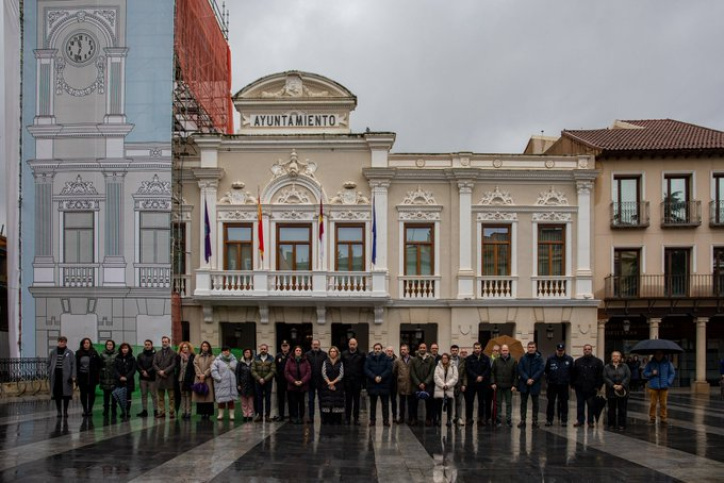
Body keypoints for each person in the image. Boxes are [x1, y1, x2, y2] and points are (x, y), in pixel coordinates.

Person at [571, 344, 604, 428]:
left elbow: (600, 375)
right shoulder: (578, 361)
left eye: (589, 349)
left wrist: (598, 386)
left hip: (592, 388)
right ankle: (580, 421)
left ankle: (590, 421)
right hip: (580, 387)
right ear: (583, 350)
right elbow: (573, 374)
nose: (587, 350)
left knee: (591, 405)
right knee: (580, 405)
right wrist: (573, 384)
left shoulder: (598, 362)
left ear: (591, 350)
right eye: (585, 349)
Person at [544, 342, 574, 427]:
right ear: (556, 350)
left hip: (564, 385)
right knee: (551, 402)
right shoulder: (550, 358)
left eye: (561, 350)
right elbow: (546, 371)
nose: (560, 352)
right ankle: (549, 420)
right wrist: (548, 380)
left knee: (564, 403)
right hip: (552, 385)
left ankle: (564, 420)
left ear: (564, 350)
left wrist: (570, 383)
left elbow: (572, 372)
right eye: (558, 350)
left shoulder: (569, 359)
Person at [643, 350, 676, 424]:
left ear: (663, 354)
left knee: (663, 403)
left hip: (664, 386)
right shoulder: (651, 363)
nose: (659, 355)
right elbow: (645, 373)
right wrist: (652, 373)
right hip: (653, 386)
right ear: (654, 354)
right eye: (657, 354)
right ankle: (652, 417)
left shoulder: (667, 363)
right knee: (653, 403)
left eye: (660, 354)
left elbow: (672, 373)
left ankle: (663, 417)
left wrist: (668, 382)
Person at [517, 341, 544, 428]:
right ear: (527, 348)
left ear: (535, 348)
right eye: (529, 347)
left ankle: (535, 421)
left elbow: (541, 370)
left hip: (535, 383)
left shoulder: (539, 358)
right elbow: (520, 370)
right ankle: (523, 420)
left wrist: (532, 379)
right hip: (524, 384)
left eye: (533, 347)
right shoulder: (523, 358)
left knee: (535, 403)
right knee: (523, 403)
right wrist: (527, 379)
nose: (531, 349)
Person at [365, 343, 393, 426]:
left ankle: (386, 420)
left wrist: (381, 377)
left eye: (379, 349)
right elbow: (366, 369)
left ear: (381, 349)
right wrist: (374, 377)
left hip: (384, 384)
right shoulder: (369, 358)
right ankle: (372, 420)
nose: (377, 350)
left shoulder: (386, 358)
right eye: (376, 348)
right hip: (373, 384)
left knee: (385, 404)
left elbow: (389, 369)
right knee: (372, 405)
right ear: (373, 349)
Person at [464, 342, 491, 426]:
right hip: (472, 383)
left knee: (482, 401)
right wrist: (476, 377)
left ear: (481, 348)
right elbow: (468, 369)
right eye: (476, 348)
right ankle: (469, 418)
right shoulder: (469, 358)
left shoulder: (486, 358)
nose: (477, 349)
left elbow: (488, 369)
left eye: (478, 348)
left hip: (483, 383)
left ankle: (481, 418)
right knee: (469, 401)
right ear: (473, 349)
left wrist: (482, 376)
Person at [48, 336, 76, 418]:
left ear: (66, 342)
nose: (62, 343)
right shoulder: (53, 352)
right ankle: (59, 411)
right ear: (58, 342)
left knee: (66, 395)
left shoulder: (69, 352)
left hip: (66, 376)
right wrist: (49, 370)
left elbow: (73, 364)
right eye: (60, 341)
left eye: (63, 342)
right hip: (56, 375)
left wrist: (73, 375)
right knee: (57, 394)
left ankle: (65, 411)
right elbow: (48, 362)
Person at [491, 344, 517, 428]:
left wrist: (514, 385)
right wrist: (493, 383)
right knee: (498, 403)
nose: (505, 352)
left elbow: (516, 374)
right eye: (503, 350)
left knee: (509, 403)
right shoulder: (496, 360)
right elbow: (492, 373)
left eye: (506, 350)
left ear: (508, 351)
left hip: (509, 386)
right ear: (500, 351)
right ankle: (498, 420)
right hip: (498, 386)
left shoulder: (513, 361)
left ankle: (509, 420)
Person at [604, 351, 631, 431]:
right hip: (611, 391)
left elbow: (628, 376)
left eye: (617, 356)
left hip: (623, 391)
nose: (615, 357)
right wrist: (613, 385)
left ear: (620, 357)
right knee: (611, 409)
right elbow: (605, 377)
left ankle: (621, 425)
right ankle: (611, 424)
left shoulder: (625, 366)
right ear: (611, 357)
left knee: (622, 409)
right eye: (614, 356)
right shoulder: (607, 367)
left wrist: (622, 385)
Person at [410, 342, 436, 426]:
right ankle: (414, 419)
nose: (422, 349)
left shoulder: (431, 359)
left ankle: (428, 419)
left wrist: (425, 382)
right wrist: (418, 383)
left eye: (424, 348)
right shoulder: (414, 359)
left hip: (428, 385)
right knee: (414, 403)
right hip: (416, 385)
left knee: (429, 403)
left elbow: (432, 372)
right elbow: (412, 372)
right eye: (421, 347)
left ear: (426, 349)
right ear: (418, 349)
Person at [342, 338, 366, 425]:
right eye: (351, 344)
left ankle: (356, 418)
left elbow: (364, 369)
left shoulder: (362, 354)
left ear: (357, 344)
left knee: (357, 401)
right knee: (347, 401)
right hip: (347, 381)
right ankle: (347, 418)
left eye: (354, 344)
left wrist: (364, 385)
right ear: (348, 344)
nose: (352, 346)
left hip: (357, 380)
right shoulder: (344, 354)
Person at [285, 345, 311, 424]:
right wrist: (294, 381)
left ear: (301, 352)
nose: (298, 352)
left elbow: (308, 372)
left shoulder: (305, 360)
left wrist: (302, 381)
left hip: (302, 386)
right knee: (293, 402)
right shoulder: (289, 360)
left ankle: (301, 417)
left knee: (302, 402)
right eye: (297, 350)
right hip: (292, 385)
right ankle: (294, 417)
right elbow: (286, 372)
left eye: (300, 350)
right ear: (294, 352)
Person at [211, 346, 239, 421]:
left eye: (227, 351)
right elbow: (213, 370)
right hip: (221, 383)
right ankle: (220, 414)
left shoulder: (234, 360)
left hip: (231, 383)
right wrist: (218, 378)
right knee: (221, 400)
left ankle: (231, 415)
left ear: (229, 351)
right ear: (222, 352)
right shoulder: (217, 360)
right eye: (224, 351)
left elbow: (238, 370)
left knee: (231, 399)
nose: (226, 352)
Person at [153, 336, 177, 419]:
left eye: (166, 341)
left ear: (169, 342)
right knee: (160, 398)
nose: (164, 343)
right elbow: (154, 364)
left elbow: (174, 364)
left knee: (171, 397)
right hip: (159, 378)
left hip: (169, 377)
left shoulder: (173, 353)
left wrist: (165, 371)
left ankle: (171, 412)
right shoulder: (157, 353)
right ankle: (162, 412)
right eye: (163, 341)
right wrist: (159, 371)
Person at [75, 337, 100, 417]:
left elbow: (99, 363)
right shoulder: (78, 353)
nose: (86, 344)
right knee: (83, 394)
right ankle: (85, 409)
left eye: (88, 343)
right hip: (82, 376)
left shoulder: (94, 352)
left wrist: (96, 371)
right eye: (85, 343)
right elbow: (76, 365)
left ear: (90, 344)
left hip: (92, 376)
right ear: (82, 344)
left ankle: (90, 409)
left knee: (92, 394)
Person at [320, 346, 345, 425]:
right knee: (327, 403)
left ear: (337, 353)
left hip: (337, 386)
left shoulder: (340, 362)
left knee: (337, 403)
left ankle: (337, 420)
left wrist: (333, 382)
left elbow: (341, 374)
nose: (332, 353)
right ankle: (327, 420)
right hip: (327, 386)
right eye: (331, 351)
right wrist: (329, 383)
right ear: (329, 353)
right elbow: (323, 373)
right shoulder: (325, 362)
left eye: (334, 351)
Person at [251, 343, 276, 422]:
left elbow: (273, 370)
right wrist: (259, 379)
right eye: (262, 349)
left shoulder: (271, 358)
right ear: (260, 350)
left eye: (265, 349)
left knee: (268, 399)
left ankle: (267, 415)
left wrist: (265, 379)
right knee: (259, 398)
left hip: (268, 381)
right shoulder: (256, 358)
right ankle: (260, 415)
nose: (263, 350)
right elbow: (253, 370)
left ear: (267, 350)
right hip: (258, 382)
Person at [434, 353, 459, 427]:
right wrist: (443, 385)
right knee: (438, 405)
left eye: (446, 358)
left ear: (448, 359)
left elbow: (455, 378)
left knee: (449, 405)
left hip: (449, 388)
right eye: (443, 358)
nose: (444, 359)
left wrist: (447, 385)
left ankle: (449, 420)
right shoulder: (438, 366)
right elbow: (436, 377)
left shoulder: (453, 366)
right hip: (440, 388)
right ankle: (439, 419)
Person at [305, 339, 327, 423]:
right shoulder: (307, 354)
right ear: (311, 345)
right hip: (310, 381)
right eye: (314, 344)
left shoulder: (324, 355)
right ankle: (311, 417)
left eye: (317, 344)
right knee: (310, 400)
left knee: (322, 400)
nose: (315, 346)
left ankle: (323, 417)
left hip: (321, 381)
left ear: (319, 345)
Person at [114, 342, 137, 420]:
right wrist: (120, 377)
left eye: (126, 348)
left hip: (129, 381)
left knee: (128, 396)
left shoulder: (132, 358)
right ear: (121, 349)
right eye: (123, 348)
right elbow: (115, 369)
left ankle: (128, 411)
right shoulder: (117, 358)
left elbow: (133, 369)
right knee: (120, 396)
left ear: (129, 349)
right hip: (119, 381)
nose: (125, 350)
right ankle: (123, 411)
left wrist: (126, 377)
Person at [193, 341, 216, 419]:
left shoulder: (212, 356)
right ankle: (201, 413)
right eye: (203, 346)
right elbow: (195, 365)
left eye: (206, 346)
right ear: (201, 347)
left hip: (208, 379)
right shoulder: (197, 356)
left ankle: (208, 413)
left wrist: (205, 374)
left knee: (208, 396)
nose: (205, 347)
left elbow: (212, 366)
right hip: (199, 379)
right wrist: (200, 375)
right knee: (200, 395)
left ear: (209, 347)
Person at [136, 339, 158, 418]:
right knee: (144, 395)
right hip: (143, 379)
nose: (147, 346)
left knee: (153, 395)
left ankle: (156, 411)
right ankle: (144, 411)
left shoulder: (156, 355)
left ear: (151, 345)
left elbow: (155, 365)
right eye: (146, 344)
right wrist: (142, 372)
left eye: (149, 344)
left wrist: (147, 372)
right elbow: (138, 365)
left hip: (152, 379)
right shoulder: (140, 355)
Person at [394, 344, 414, 424]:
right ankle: (401, 417)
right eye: (401, 349)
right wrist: (400, 377)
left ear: (408, 350)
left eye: (404, 349)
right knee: (401, 403)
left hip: (411, 384)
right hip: (401, 384)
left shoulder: (413, 359)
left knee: (411, 403)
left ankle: (410, 418)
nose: (402, 351)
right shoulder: (397, 360)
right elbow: (394, 371)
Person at [177, 342, 196, 420]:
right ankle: (183, 412)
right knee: (182, 395)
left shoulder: (192, 357)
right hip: (180, 378)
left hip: (188, 379)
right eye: (183, 347)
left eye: (186, 347)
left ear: (189, 348)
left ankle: (188, 412)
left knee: (188, 395)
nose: (185, 349)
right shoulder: (178, 356)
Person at [236, 348, 255, 422]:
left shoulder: (253, 363)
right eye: (246, 352)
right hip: (242, 384)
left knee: (250, 401)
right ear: (243, 353)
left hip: (251, 384)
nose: (247, 353)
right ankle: (244, 414)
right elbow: (237, 374)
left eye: (248, 352)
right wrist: (238, 384)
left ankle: (250, 415)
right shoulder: (240, 363)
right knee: (243, 401)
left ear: (251, 354)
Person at [100, 339, 118, 418]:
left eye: (111, 345)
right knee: (106, 397)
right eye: (108, 345)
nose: (109, 346)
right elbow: (100, 366)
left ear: (113, 346)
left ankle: (114, 411)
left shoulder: (117, 354)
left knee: (114, 397)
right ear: (106, 346)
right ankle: (106, 410)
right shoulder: (102, 354)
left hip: (114, 378)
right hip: (105, 378)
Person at [275, 340, 292, 421]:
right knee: (281, 399)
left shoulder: (292, 355)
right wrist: (277, 378)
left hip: (289, 380)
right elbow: (275, 368)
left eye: (286, 346)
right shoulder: (278, 355)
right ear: (281, 347)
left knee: (291, 398)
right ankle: (281, 415)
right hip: (280, 380)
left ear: (289, 347)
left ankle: (291, 416)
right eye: (283, 346)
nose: (284, 347)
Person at [450, 345, 466, 426]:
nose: (454, 351)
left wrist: (464, 384)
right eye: (453, 350)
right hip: (450, 384)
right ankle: (450, 418)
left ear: (458, 351)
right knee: (450, 402)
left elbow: (465, 374)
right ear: (450, 351)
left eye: (456, 350)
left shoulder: (462, 360)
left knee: (459, 402)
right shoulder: (447, 360)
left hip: (459, 384)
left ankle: (459, 418)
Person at [385, 346, 398, 422]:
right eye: (388, 351)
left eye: (391, 351)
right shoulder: (383, 360)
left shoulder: (396, 360)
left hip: (394, 383)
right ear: (386, 352)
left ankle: (394, 416)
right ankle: (386, 417)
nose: (389, 352)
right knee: (385, 401)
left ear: (393, 352)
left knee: (394, 400)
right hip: (385, 383)